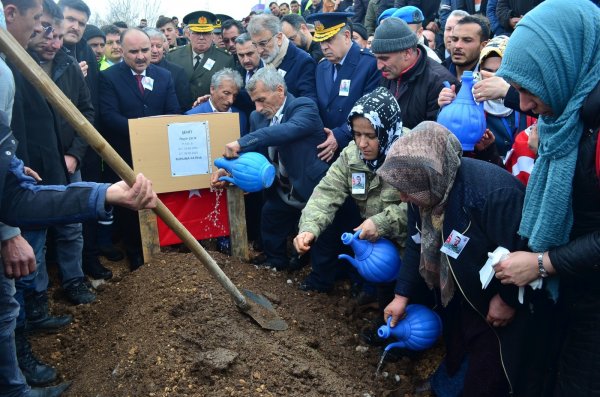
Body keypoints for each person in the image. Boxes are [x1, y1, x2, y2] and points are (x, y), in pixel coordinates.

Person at [378, 121, 551, 396]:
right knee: (458, 340)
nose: (402, 196)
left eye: (407, 188)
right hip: (463, 289)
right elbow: (417, 244)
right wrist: (401, 295)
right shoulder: (425, 194)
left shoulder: (490, 194)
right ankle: (445, 386)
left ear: (428, 176)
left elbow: (525, 248)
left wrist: (506, 300)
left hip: (499, 297)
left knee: (489, 361)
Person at [491, 0, 600, 394]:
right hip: (571, 294)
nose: (523, 106)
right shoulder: (568, 119)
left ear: (564, 66)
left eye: (528, 90)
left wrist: (543, 263)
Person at [213, 67, 328, 271]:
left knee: (323, 239)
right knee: (270, 217)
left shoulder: (304, 107)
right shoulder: (257, 117)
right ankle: (275, 262)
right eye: (254, 101)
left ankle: (319, 279)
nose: (257, 108)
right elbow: (253, 151)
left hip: (312, 188)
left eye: (262, 100)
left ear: (280, 91)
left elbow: (283, 132)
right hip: (280, 187)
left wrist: (240, 142)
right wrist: (230, 171)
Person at [294, 88, 407, 292]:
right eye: (356, 134)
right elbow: (327, 192)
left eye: (371, 136)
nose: (362, 144)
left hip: (413, 252)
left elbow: (424, 209)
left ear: (387, 129)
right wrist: (309, 228)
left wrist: (382, 222)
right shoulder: (351, 156)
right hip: (376, 251)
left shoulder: (411, 156)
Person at [99, 28, 180, 270]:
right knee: (131, 203)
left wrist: (155, 134)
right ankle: (135, 251)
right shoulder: (109, 77)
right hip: (126, 154)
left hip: (158, 151)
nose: (141, 56)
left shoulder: (164, 76)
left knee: (159, 197)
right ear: (121, 51)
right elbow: (108, 116)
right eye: (133, 51)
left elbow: (173, 111)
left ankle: (165, 244)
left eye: (145, 50)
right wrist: (140, 132)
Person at [306, 12, 380, 161]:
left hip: (358, 148)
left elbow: (369, 111)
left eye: (329, 40)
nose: (324, 47)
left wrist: (339, 136)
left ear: (347, 36)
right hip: (327, 148)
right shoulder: (321, 67)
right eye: (321, 41)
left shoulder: (369, 64)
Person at [372, 17, 457, 129]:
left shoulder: (439, 82)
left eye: (384, 58)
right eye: (377, 58)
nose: (379, 66)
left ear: (407, 53)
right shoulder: (388, 72)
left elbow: (437, 137)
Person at [247, 14, 317, 102]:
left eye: (263, 43)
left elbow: (309, 102)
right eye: (255, 45)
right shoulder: (266, 60)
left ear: (279, 38)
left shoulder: (303, 61)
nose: (259, 50)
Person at [167, 11, 235, 99]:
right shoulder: (173, 56)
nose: (201, 37)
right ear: (189, 34)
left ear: (212, 35)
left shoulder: (225, 59)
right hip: (179, 110)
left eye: (206, 33)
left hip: (209, 111)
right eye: (197, 33)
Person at [186, 68, 248, 135]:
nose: (231, 101)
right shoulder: (192, 117)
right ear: (212, 89)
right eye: (226, 93)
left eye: (235, 95)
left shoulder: (241, 116)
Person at [145, 27, 193, 111]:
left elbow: (184, 106)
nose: (155, 50)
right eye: (150, 46)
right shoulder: (135, 70)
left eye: (159, 46)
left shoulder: (177, 72)